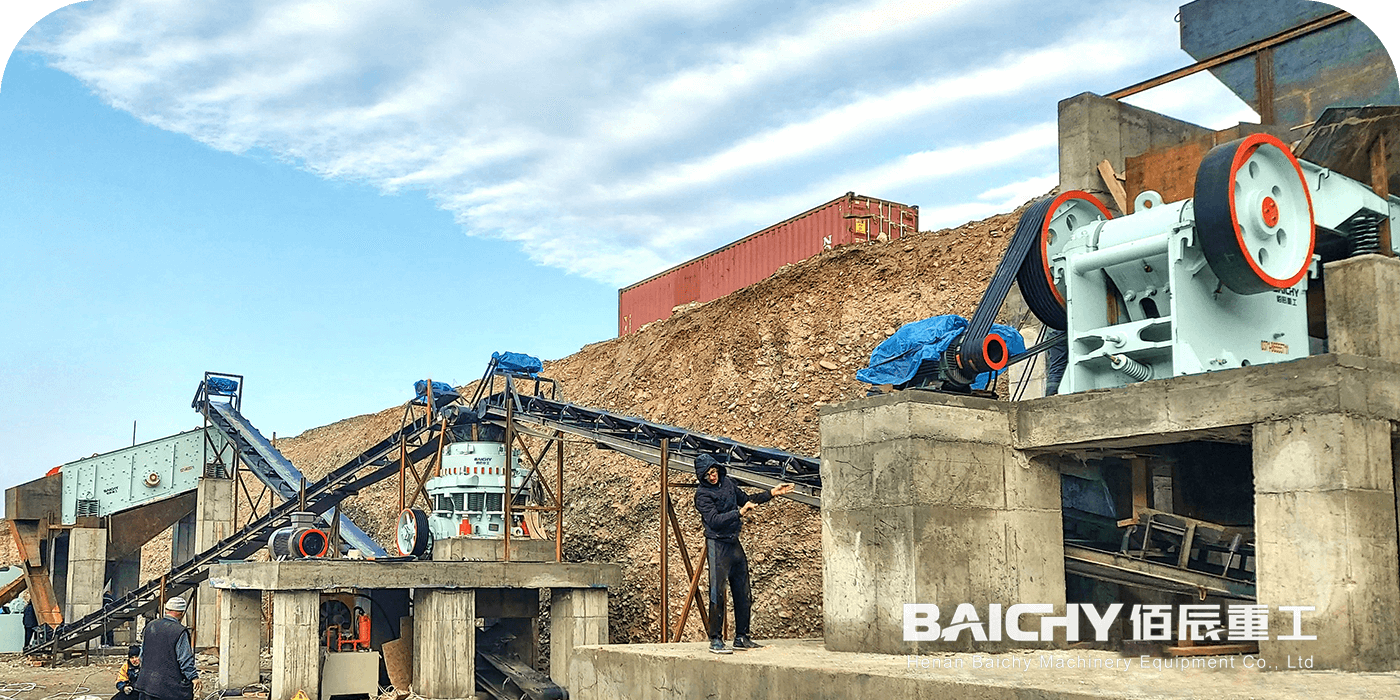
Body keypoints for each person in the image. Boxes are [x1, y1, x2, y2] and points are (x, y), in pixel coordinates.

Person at [692, 454, 794, 654]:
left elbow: (746, 500)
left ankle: (742, 636)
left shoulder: (728, 483)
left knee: (743, 590)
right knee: (717, 592)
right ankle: (716, 640)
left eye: (713, 472)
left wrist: (771, 493)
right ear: (702, 477)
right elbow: (714, 520)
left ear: (718, 470)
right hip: (717, 544)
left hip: (733, 541)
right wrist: (739, 513)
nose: (712, 477)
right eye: (708, 475)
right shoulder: (702, 495)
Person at [135, 597, 199, 700]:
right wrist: (194, 677)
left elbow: (142, 656)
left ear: (166, 610)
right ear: (181, 613)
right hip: (167, 689)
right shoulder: (179, 631)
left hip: (146, 685)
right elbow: (185, 659)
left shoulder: (151, 626)